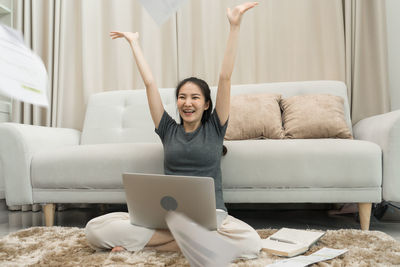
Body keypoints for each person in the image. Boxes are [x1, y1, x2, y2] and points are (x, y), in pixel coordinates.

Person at [85, 2, 262, 259]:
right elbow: (150, 83)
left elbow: (225, 77)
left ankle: (150, 244)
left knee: (251, 243)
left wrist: (234, 26)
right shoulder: (168, 129)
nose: (187, 103)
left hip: (211, 218)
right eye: (181, 97)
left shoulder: (215, 127)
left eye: (194, 98)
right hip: (168, 218)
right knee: (94, 229)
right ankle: (193, 243)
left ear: (206, 104)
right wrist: (134, 43)